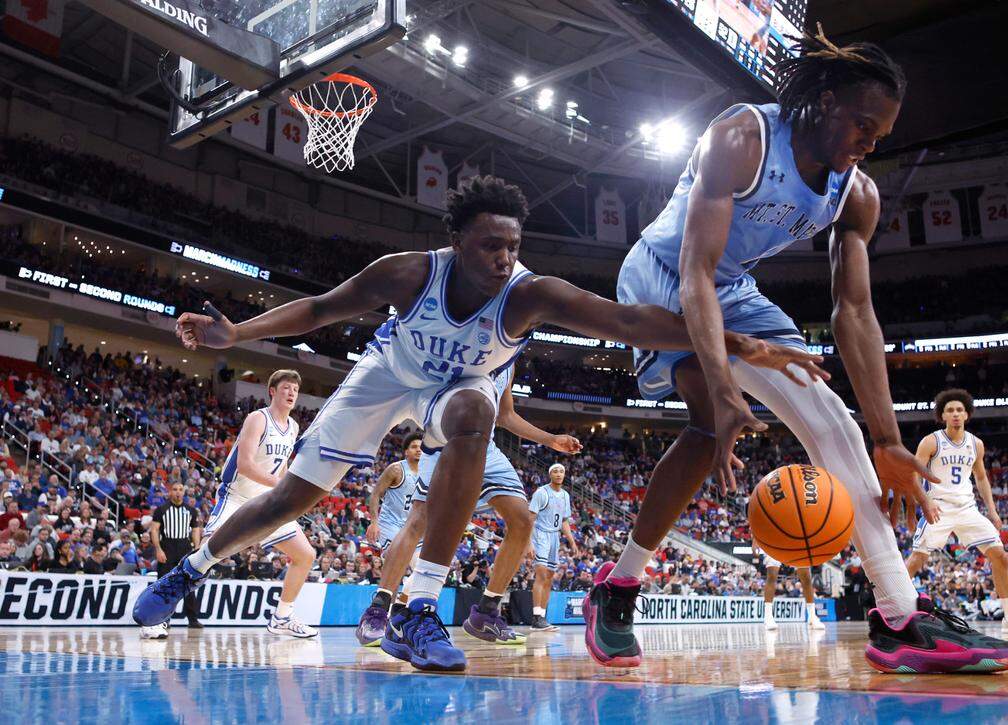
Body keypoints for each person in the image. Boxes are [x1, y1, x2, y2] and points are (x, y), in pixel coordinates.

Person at [135, 175, 822, 672]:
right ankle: (188, 570)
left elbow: (628, 320)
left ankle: (421, 610)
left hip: (456, 392)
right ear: (457, 239)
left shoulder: (529, 294)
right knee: (291, 498)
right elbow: (319, 308)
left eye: (512, 245)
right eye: (490, 244)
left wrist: (733, 341)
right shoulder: (406, 273)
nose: (503, 257)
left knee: (474, 410)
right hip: (388, 377)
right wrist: (238, 334)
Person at [585, 27, 1008, 674]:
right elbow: (695, 273)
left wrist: (888, 438)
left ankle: (899, 615)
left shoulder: (859, 193)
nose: (870, 142)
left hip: (733, 287)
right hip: (664, 272)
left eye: (881, 133)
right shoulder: (741, 139)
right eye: (862, 125)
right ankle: (618, 585)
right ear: (824, 101)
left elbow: (854, 311)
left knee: (829, 414)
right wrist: (729, 387)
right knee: (710, 423)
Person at [356, 364, 581, 651]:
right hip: (445, 442)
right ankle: (378, 609)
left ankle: (486, 612)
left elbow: (505, 415)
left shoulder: (510, 362)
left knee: (522, 520)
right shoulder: (475, 342)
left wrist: (550, 440)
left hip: (486, 448)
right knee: (419, 520)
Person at [905, 389, 1008, 634]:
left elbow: (981, 478)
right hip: (939, 506)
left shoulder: (975, 444)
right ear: (943, 415)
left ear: (967, 414)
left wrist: (992, 510)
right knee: (918, 559)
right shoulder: (931, 441)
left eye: (960, 409)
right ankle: (889, 607)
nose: (956, 414)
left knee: (1000, 556)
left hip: (968, 508)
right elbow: (913, 474)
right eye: (950, 410)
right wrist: (926, 501)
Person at [203, 369, 317, 639]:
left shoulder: (294, 427)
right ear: (272, 391)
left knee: (305, 555)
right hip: (237, 496)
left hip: (267, 500)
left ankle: (282, 617)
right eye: (286, 387)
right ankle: (160, 610)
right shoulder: (258, 418)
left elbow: (283, 468)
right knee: (203, 557)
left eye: (295, 390)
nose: (291, 393)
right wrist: (283, 486)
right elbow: (245, 465)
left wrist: (288, 491)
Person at [143, 481, 203, 639]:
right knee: (165, 583)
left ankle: (192, 618)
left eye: (180, 489)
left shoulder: (191, 511)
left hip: (184, 547)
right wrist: (158, 549)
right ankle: (163, 619)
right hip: (167, 546)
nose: (178, 492)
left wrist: (196, 549)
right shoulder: (161, 510)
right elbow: (154, 530)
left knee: (189, 583)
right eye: (175, 489)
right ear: (170, 492)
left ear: (184, 492)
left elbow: (196, 531)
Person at [528, 463, 578, 632]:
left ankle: (541, 617)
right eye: (555, 471)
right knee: (541, 575)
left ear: (564, 475)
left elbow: (564, 521)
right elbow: (530, 518)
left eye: (561, 471)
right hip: (541, 535)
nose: (558, 474)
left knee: (549, 577)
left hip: (555, 537)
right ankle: (536, 617)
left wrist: (572, 542)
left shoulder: (565, 495)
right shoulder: (541, 493)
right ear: (550, 474)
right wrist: (529, 543)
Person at [365, 431, 422, 553]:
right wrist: (374, 522)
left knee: (419, 566)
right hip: (390, 524)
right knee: (396, 560)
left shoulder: (427, 474)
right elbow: (375, 494)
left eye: (420, 447)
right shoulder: (396, 469)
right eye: (414, 447)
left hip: (411, 526)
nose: (418, 450)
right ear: (406, 452)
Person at [753, 543, 824, 630]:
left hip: (796, 538)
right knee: (772, 575)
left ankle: (812, 616)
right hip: (774, 537)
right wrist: (754, 539)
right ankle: (768, 617)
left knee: (806, 577)